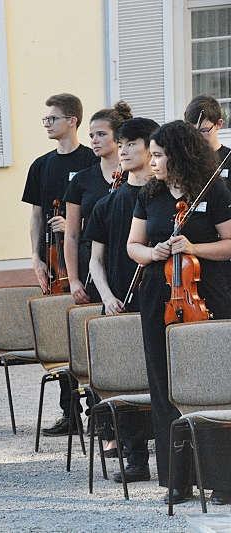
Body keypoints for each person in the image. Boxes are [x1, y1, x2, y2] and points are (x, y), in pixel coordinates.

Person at [127, 120, 231, 506]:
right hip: (160, 293)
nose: (151, 161)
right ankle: (176, 478)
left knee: (213, 381)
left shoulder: (214, 190)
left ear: (179, 154)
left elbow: (230, 243)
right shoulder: (149, 194)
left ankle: (222, 478)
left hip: (207, 292)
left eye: (157, 154)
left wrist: (193, 248)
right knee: (163, 382)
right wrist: (152, 253)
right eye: (150, 154)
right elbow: (132, 246)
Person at [84, 117, 159, 481]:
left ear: (150, 148)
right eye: (123, 144)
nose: (125, 150)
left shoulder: (165, 198)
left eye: (132, 144)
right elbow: (95, 261)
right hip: (119, 301)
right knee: (127, 379)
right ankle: (136, 458)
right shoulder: (107, 204)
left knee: (161, 377)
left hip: (161, 299)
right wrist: (108, 296)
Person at [22, 93, 98, 436]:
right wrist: (36, 257)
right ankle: (70, 413)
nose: (47, 124)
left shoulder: (90, 161)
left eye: (52, 118)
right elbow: (36, 215)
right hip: (52, 264)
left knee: (88, 332)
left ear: (72, 121)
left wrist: (73, 227)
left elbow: (97, 211)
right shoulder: (41, 165)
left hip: (82, 260)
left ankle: (97, 410)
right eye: (45, 119)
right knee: (60, 334)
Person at [63, 101, 132, 305]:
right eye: (92, 135)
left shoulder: (134, 177)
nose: (94, 140)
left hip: (127, 259)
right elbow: (72, 234)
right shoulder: (81, 181)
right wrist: (74, 279)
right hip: (92, 263)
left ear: (118, 137)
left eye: (101, 134)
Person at [184, 95, 231, 192]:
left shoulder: (228, 158)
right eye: (192, 131)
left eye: (204, 131)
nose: (197, 137)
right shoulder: (185, 159)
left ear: (219, 124)